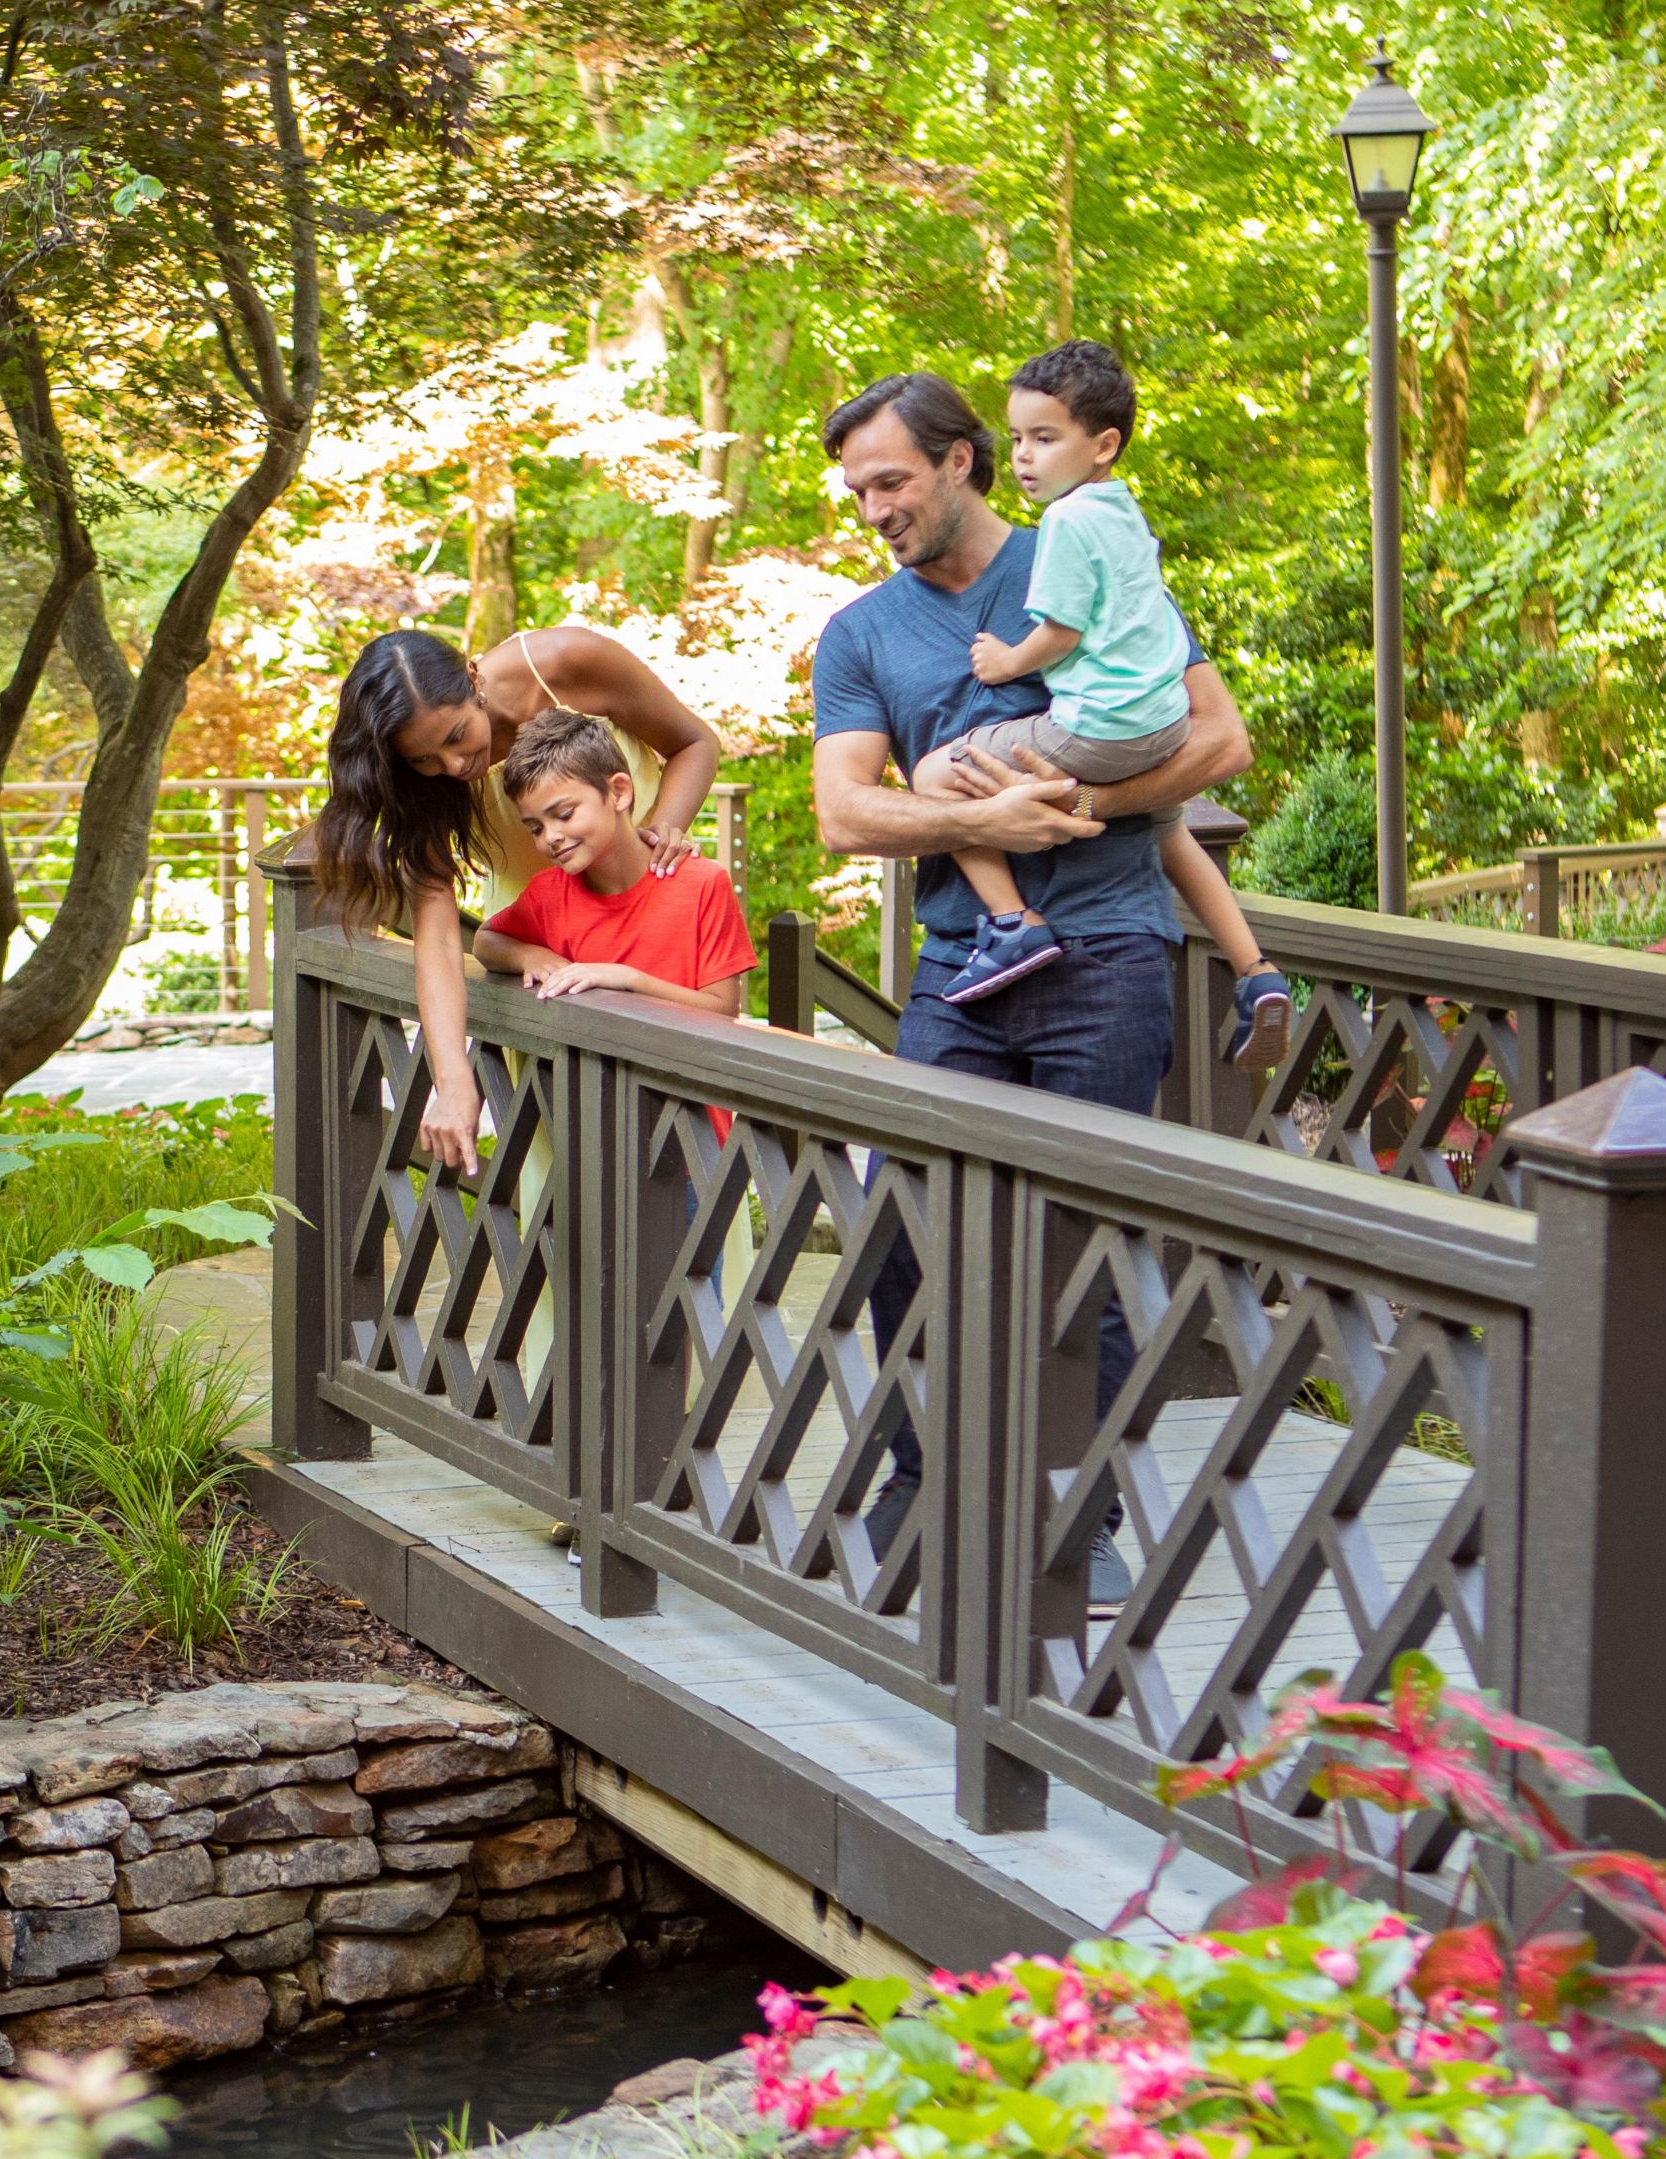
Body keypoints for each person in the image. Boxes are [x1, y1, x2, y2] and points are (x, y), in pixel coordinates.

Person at [807, 367, 1256, 1598]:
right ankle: (918, 1477)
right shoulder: (861, 634)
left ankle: (1080, 1513)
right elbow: (846, 814)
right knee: (904, 1226)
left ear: (962, 461)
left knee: (1082, 1242)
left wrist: (1074, 807)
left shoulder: (1085, 551)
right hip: (960, 968)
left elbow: (1219, 736)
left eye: (891, 479)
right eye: (858, 489)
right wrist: (980, 808)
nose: (874, 506)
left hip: (1108, 954)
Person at [913, 341, 1291, 1070]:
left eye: (1045, 438)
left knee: (938, 777)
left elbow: (1062, 631)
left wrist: (1007, 661)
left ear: (1103, 445)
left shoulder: (1065, 521)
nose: (1023, 456)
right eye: (1018, 438)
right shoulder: (1122, 511)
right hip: (1158, 722)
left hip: (1101, 725)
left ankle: (1013, 923)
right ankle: (1257, 971)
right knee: (1171, 831)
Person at [309, 624, 725, 1176]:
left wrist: (663, 833)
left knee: (678, 1149)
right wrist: (452, 1080)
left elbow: (696, 743)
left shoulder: (569, 662)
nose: (454, 767)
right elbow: (436, 934)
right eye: (425, 760)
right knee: (569, 1163)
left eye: (458, 735)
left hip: (650, 907)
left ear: (473, 679)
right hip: (539, 938)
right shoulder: (428, 780)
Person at [473, 709, 758, 1021]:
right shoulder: (548, 893)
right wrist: (531, 955)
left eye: (565, 814)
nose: (550, 837)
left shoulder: (703, 883)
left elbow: (723, 1009)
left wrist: (628, 980)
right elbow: (486, 941)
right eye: (536, 828)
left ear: (619, 792)